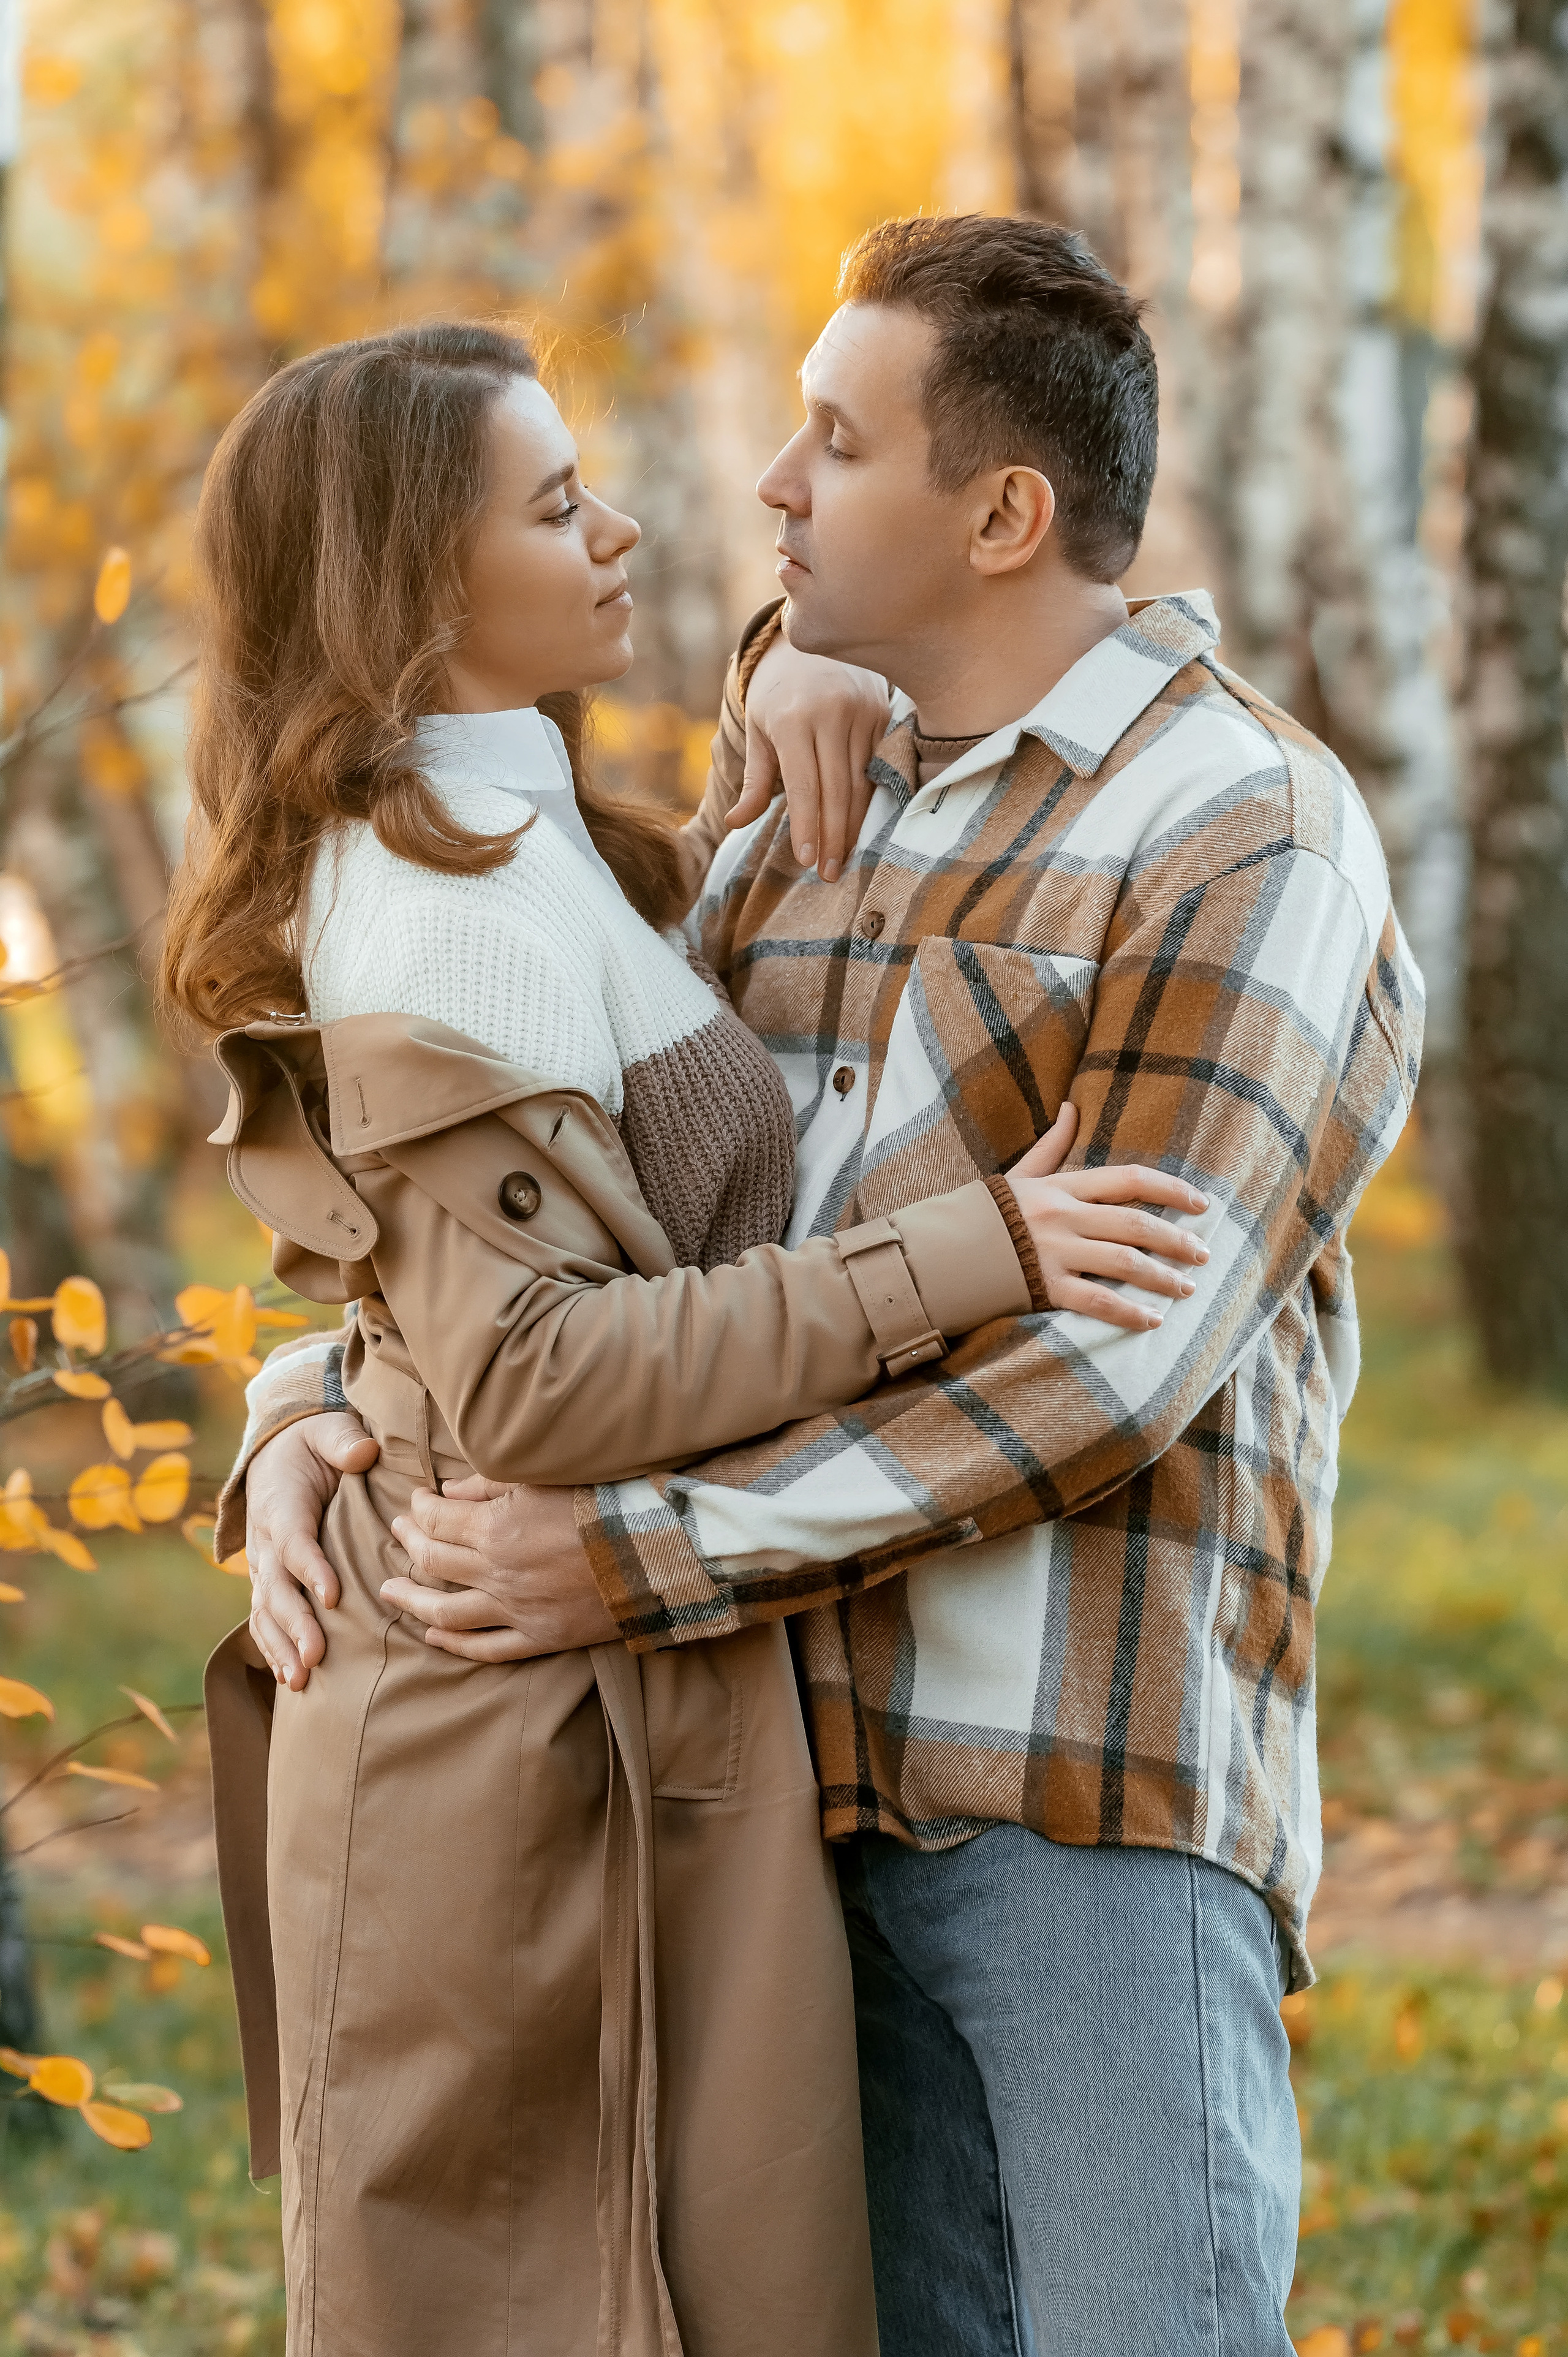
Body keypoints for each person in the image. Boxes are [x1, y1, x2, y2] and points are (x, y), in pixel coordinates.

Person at [164, 316, 1212, 2357]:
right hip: (497, 1727)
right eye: (559, 507)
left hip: (632, 1692)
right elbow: (536, 1377)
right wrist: (971, 1251)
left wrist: (800, 653)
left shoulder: (528, 826)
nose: (639, 524)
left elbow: (472, 1281)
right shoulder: (431, 902)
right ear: (415, 584)